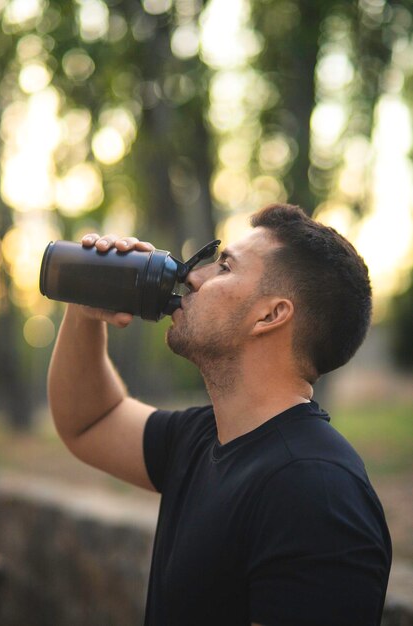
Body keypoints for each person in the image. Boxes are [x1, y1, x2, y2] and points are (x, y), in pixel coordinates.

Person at [48, 203, 392, 626]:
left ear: (271, 314)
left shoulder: (316, 493)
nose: (193, 276)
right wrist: (87, 302)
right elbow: (90, 422)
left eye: (225, 267)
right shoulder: (204, 438)